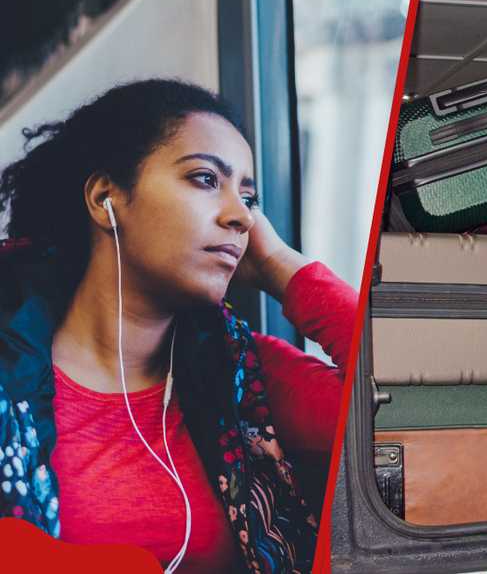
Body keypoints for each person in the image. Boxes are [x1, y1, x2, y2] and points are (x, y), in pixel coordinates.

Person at [0, 79, 355, 573]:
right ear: (107, 198)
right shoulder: (7, 377)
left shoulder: (243, 374)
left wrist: (281, 266)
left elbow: (398, 413)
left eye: (248, 199)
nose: (241, 218)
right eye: (207, 179)